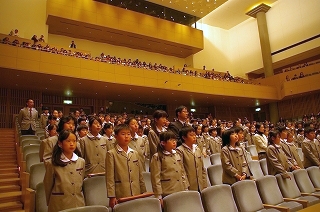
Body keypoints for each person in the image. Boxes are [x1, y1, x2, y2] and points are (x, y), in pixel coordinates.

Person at [106, 124, 146, 208]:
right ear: (116, 136)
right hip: (121, 192)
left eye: (128, 134)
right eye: (123, 134)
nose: (126, 136)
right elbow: (110, 178)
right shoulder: (111, 154)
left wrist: (144, 191)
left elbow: (140, 175)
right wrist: (112, 196)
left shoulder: (134, 153)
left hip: (136, 191)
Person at [43, 130, 85, 212]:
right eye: (68, 141)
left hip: (78, 202)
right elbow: (48, 184)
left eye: (74, 141)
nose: (72, 144)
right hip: (59, 203)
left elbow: (81, 181)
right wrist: (49, 201)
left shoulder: (81, 161)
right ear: (60, 143)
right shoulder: (53, 163)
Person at [150, 131, 188, 205]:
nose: (174, 142)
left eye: (175, 140)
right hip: (168, 191)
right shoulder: (157, 157)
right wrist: (158, 196)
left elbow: (182, 172)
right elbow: (155, 178)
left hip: (180, 189)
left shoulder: (177, 154)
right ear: (163, 143)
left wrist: (186, 187)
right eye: (171, 140)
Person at [177, 126, 207, 191]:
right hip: (189, 185)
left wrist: (204, 184)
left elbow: (202, 168)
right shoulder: (180, 151)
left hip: (200, 184)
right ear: (184, 137)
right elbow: (181, 170)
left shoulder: (197, 148)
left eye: (194, 135)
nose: (194, 137)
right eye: (191, 135)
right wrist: (185, 186)